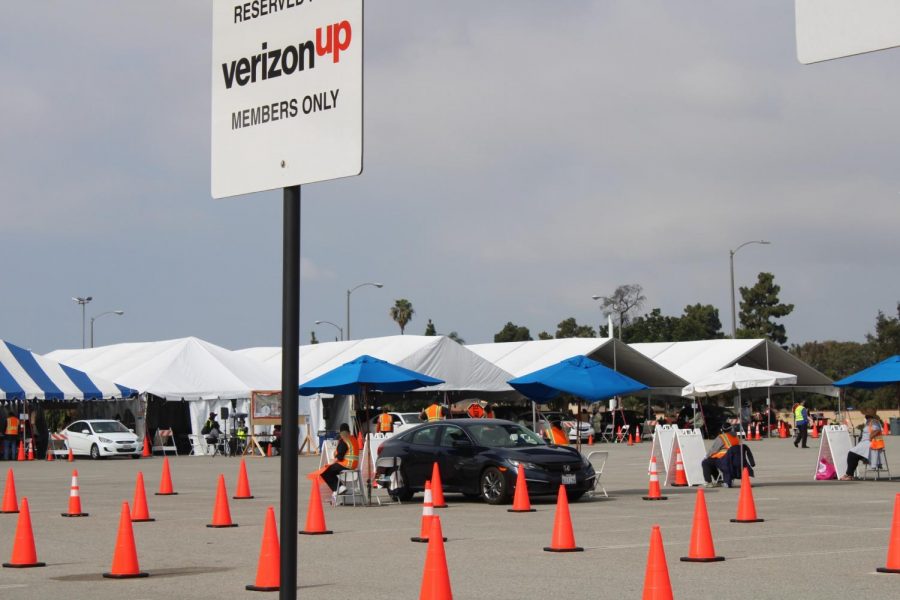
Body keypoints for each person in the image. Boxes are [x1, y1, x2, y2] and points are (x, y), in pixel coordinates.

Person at [840, 407, 884, 480]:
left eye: (867, 415)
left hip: (870, 443)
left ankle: (849, 474)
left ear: (870, 416)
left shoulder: (875, 422)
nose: (865, 417)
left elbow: (877, 430)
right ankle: (849, 474)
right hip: (865, 443)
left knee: (851, 454)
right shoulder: (868, 422)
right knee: (853, 455)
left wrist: (870, 437)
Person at [321, 423, 360, 494]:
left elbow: (340, 457)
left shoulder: (344, 441)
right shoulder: (353, 439)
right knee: (331, 472)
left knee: (325, 472)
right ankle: (339, 488)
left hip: (346, 465)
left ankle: (339, 488)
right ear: (349, 431)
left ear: (340, 432)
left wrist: (330, 464)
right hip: (354, 465)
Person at [702, 422, 741, 488]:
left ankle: (709, 482)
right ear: (731, 429)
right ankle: (719, 480)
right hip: (735, 459)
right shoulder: (736, 436)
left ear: (722, 430)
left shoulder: (722, 437)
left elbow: (714, 449)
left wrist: (706, 456)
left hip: (724, 459)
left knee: (706, 462)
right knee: (712, 460)